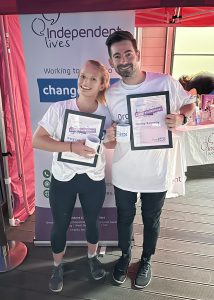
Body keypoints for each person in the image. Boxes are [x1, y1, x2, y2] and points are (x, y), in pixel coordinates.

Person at [104, 30, 195, 289]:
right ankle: (125, 255)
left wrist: (182, 118)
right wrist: (108, 136)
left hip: (157, 170)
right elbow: (110, 140)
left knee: (151, 219)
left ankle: (145, 259)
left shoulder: (164, 82)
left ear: (138, 55)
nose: (124, 60)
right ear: (111, 62)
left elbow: (190, 103)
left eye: (128, 54)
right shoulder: (111, 95)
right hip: (124, 171)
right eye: (117, 56)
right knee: (124, 218)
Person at [32, 60, 112, 293]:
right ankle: (57, 266)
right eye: (82, 76)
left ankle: (91, 257)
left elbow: (113, 142)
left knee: (92, 222)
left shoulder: (106, 113)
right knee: (60, 224)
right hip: (63, 177)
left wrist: (112, 136)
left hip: (93, 177)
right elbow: (37, 140)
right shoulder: (59, 108)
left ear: (102, 84)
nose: (85, 82)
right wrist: (70, 147)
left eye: (93, 79)